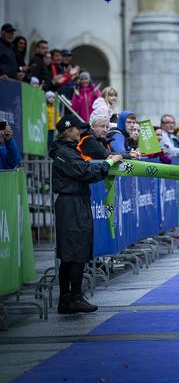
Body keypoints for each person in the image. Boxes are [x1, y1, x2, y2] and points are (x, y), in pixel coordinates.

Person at [49, 114, 123, 314]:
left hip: (75, 201)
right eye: (76, 128)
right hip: (71, 204)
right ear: (67, 130)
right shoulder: (65, 152)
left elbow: (85, 171)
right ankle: (73, 297)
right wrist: (108, 164)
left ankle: (67, 299)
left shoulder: (67, 151)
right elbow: (84, 172)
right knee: (75, 251)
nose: (80, 131)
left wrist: (104, 165)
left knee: (72, 252)